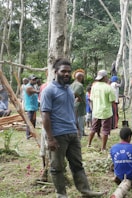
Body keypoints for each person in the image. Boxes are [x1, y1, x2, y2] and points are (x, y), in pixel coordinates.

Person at [40, 58, 104, 197]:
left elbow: (71, 109)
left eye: (69, 72)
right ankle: (61, 195)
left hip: (72, 133)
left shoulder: (69, 89)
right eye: (63, 71)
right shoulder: (49, 91)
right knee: (57, 168)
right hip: (57, 135)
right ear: (55, 72)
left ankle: (86, 191)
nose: (66, 74)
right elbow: (45, 116)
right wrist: (50, 138)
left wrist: (76, 128)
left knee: (77, 165)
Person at [88, 69, 115, 151]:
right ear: (105, 77)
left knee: (93, 128)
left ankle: (89, 144)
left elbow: (91, 99)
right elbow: (112, 101)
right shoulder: (108, 88)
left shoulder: (94, 86)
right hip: (106, 113)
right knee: (105, 131)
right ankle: (103, 148)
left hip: (96, 112)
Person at [70, 70, 87, 138]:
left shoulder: (72, 85)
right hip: (79, 109)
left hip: (73, 108)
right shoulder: (79, 85)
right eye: (83, 76)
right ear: (80, 77)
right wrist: (79, 98)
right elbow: (74, 93)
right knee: (79, 127)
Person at [24, 74, 40, 139]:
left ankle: (32, 133)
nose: (35, 81)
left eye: (35, 79)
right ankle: (28, 135)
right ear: (30, 80)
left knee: (33, 120)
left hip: (34, 107)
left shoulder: (33, 86)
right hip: (30, 107)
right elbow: (37, 92)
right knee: (30, 121)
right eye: (33, 79)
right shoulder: (28, 87)